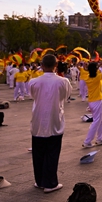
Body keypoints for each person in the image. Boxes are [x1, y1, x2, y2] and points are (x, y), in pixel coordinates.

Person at [29, 55, 71, 193]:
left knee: (38, 152)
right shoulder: (63, 81)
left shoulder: (34, 82)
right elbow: (65, 96)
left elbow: (33, 96)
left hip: (38, 120)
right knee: (52, 152)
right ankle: (50, 183)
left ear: (42, 65)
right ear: (56, 65)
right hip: (54, 119)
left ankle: (40, 180)